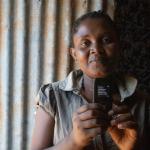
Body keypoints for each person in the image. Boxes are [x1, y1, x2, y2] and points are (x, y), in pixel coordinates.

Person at [31, 10, 150, 150]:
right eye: (85, 43)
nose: (96, 49)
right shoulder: (52, 97)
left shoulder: (143, 103)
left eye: (106, 40)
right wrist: (74, 141)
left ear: (119, 48)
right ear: (74, 54)